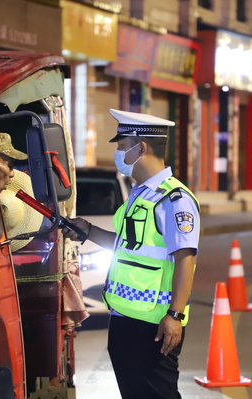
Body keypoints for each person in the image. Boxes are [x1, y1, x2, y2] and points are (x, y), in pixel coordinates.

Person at [63, 109, 200, 399]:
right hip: (126, 316)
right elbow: (127, 245)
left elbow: (185, 258)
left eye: (122, 146)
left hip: (154, 324)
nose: (119, 153)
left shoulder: (173, 199)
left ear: (142, 147)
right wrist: (87, 230)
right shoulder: (142, 194)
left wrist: (174, 315)